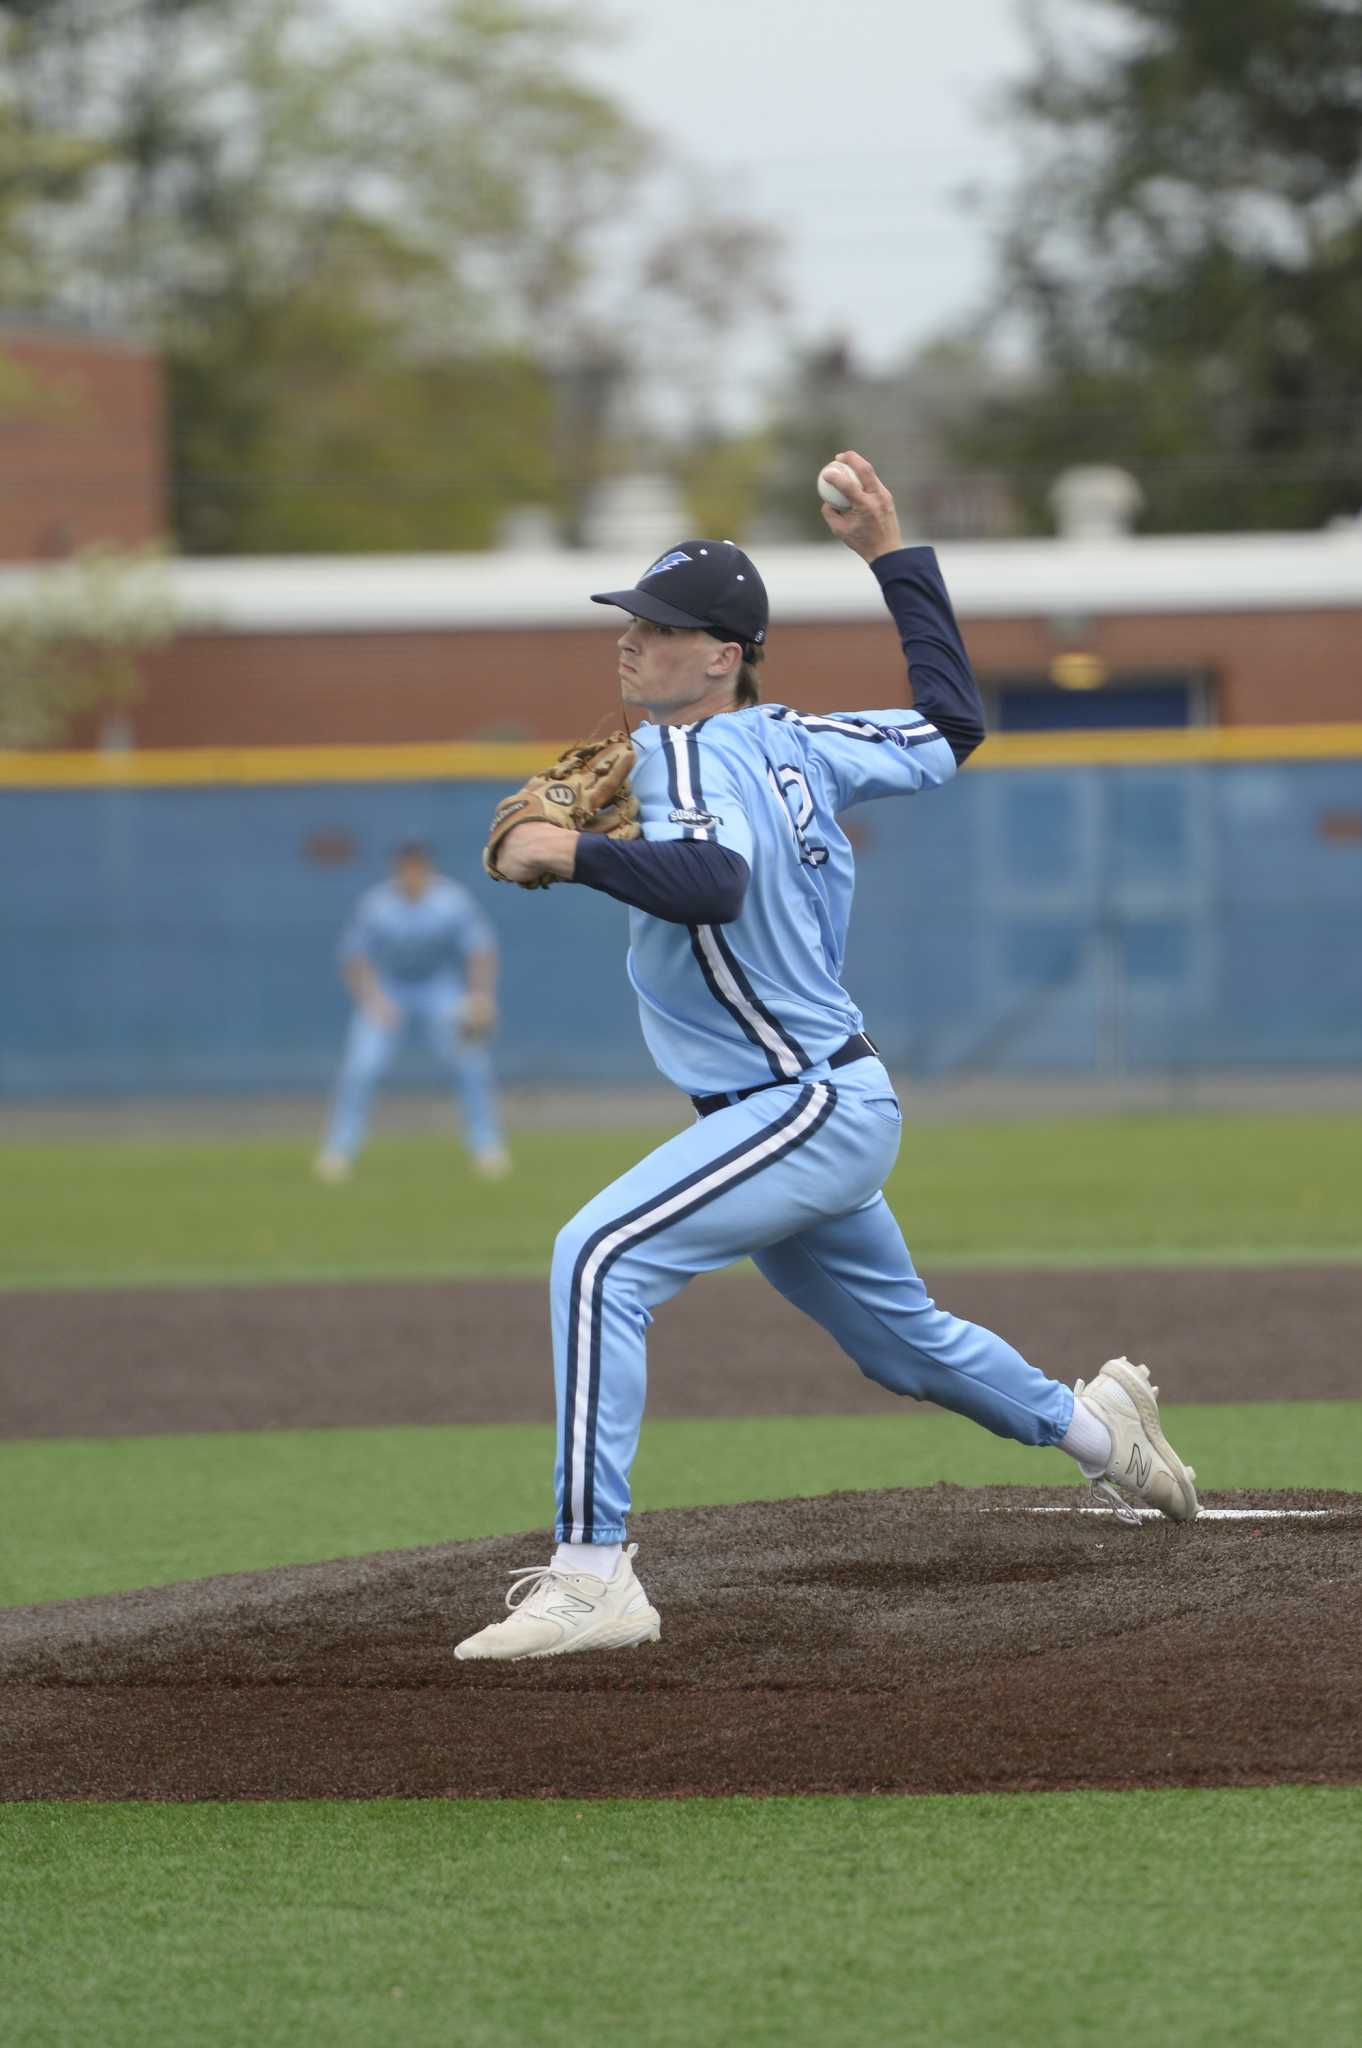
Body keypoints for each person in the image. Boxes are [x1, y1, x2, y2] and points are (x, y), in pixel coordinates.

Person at [455, 449, 1197, 1663]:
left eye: (662, 626)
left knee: (597, 1257)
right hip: (816, 1104)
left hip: (796, 1103)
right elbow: (957, 724)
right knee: (902, 1343)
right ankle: (1105, 1431)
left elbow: (713, 880)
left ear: (723, 653)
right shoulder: (805, 739)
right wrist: (890, 555)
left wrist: (568, 853)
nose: (631, 642)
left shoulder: (687, 755)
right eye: (630, 622)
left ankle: (594, 1574)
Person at [316, 841, 509, 1182]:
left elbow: (480, 949)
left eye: (418, 868)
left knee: (471, 1062)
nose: (412, 875)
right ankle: (339, 1150)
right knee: (362, 1067)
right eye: (406, 868)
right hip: (389, 987)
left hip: (437, 987)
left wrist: (480, 996)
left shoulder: (450, 901)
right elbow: (354, 958)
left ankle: (486, 1146)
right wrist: (372, 1000)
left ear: (428, 869)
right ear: (398, 871)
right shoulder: (378, 905)